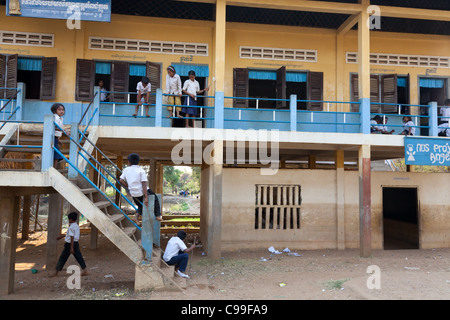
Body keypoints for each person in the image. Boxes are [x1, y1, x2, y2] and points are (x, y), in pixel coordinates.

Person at [50, 212, 88, 277]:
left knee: (62, 258)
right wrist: (62, 236)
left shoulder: (71, 227)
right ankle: (85, 270)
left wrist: (71, 248)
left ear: (70, 219)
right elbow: (71, 235)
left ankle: (56, 272)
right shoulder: (76, 226)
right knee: (79, 257)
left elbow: (72, 237)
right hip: (75, 243)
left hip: (70, 244)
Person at [119, 153, 148, 224]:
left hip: (133, 192)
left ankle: (136, 218)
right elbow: (144, 184)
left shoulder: (126, 170)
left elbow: (121, 180)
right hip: (140, 192)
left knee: (140, 205)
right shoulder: (141, 170)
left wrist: (128, 187)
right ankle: (137, 217)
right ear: (138, 161)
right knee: (145, 204)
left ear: (129, 162)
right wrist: (146, 197)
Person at [51, 103, 69, 168]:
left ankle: (53, 168)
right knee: (56, 155)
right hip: (52, 138)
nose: (61, 111)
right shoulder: (55, 117)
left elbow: (58, 129)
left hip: (55, 138)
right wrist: (63, 130)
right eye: (59, 110)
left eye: (63, 110)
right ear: (55, 110)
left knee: (56, 155)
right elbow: (54, 127)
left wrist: (58, 140)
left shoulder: (60, 118)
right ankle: (53, 168)